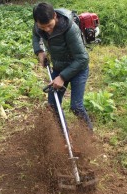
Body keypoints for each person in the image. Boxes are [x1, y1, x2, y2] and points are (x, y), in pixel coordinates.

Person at [32, 2, 93, 130]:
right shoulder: (39, 26)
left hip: (78, 69)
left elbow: (83, 58)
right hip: (59, 67)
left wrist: (62, 77)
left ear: (55, 16)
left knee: (76, 107)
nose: (47, 30)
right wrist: (39, 51)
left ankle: (89, 136)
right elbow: (36, 34)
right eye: (43, 27)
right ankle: (64, 137)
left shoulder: (70, 29)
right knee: (53, 106)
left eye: (49, 25)